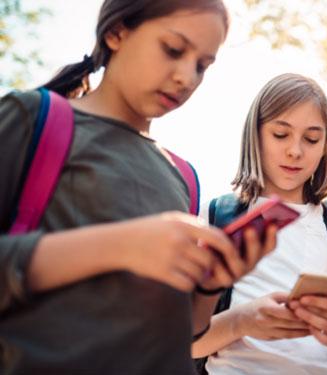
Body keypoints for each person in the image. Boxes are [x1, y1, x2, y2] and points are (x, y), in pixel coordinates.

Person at [0, 1, 276, 373]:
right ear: (117, 32)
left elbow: (187, 333)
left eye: (202, 66)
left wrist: (213, 284)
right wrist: (121, 245)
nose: (187, 78)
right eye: (173, 50)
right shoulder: (32, 118)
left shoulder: (184, 176)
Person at [191, 73, 327, 374]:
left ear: (325, 146)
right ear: (256, 134)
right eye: (281, 134)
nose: (295, 151)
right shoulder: (215, 216)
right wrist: (243, 321)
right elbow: (186, 341)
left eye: (311, 139)